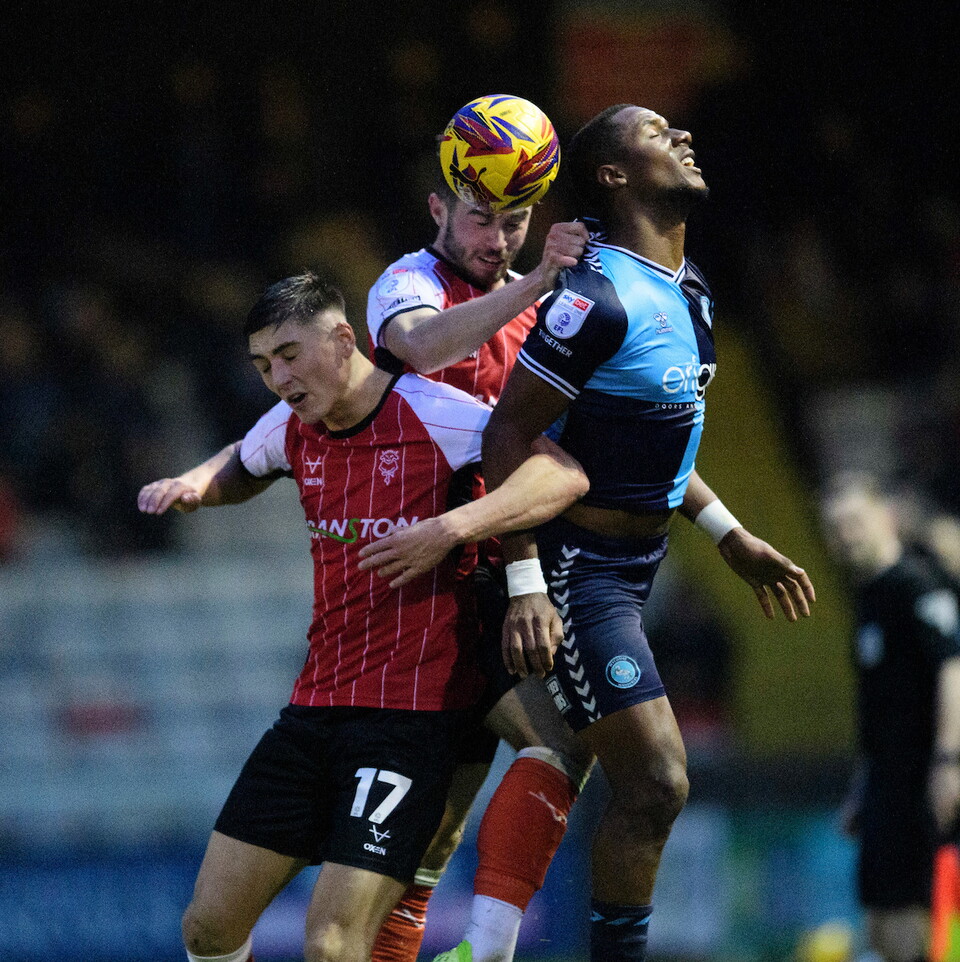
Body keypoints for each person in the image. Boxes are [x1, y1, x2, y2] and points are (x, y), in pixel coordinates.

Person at [361, 107, 816, 962]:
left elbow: (662, 429)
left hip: (623, 565)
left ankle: (475, 948)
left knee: (564, 767)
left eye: (514, 221)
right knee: (642, 777)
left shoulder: (690, 289)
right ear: (612, 175)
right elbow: (507, 432)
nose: (682, 133)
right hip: (541, 567)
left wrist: (726, 532)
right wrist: (530, 580)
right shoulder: (575, 295)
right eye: (656, 131)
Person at [136, 272, 588, 962]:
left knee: (334, 945)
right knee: (208, 925)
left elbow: (561, 474)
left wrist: (450, 529)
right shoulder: (293, 426)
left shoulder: (435, 413)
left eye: (289, 354)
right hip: (313, 711)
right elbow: (243, 461)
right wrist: (196, 484)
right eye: (263, 366)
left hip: (405, 724)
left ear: (345, 340)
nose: (278, 378)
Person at [821, 472, 960, 962]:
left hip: (919, 777)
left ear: (888, 517)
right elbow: (877, 710)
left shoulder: (917, 585)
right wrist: (863, 786)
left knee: (908, 917)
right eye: (836, 528)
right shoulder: (867, 596)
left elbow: (953, 668)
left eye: (855, 522)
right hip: (884, 783)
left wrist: (948, 762)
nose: (846, 536)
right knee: (878, 919)